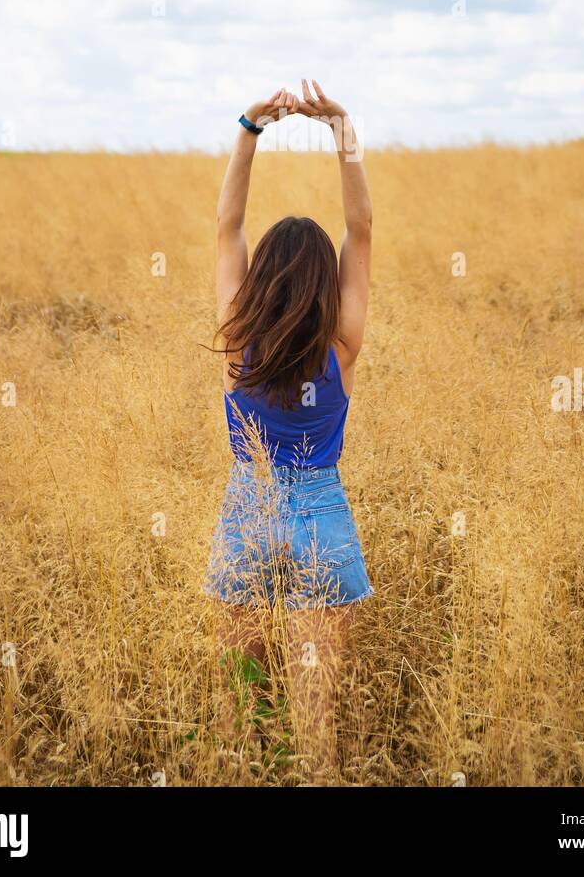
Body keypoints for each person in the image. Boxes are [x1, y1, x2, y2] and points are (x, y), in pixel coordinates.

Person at [205, 80, 373, 777]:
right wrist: (341, 129)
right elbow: (360, 230)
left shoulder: (237, 335)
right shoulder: (343, 341)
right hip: (321, 517)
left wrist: (250, 127)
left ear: (264, 279)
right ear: (325, 286)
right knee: (317, 710)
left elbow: (228, 228)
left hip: (248, 510)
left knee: (242, 706)